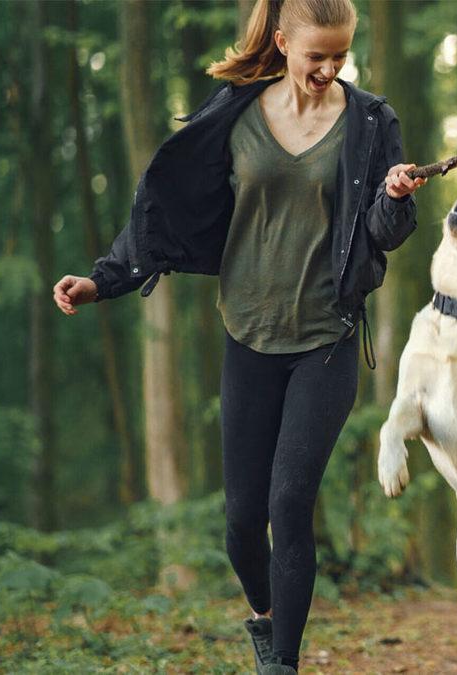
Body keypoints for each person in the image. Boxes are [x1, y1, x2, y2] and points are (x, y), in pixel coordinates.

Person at [51, 0, 426, 672]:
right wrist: (103, 280)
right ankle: (264, 610)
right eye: (317, 56)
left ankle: (281, 662)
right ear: (283, 43)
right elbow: (162, 205)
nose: (330, 69)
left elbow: (382, 236)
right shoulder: (233, 113)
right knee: (241, 521)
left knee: (290, 500)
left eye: (341, 57)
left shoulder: (372, 123)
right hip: (248, 334)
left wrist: (395, 198)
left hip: (327, 336)